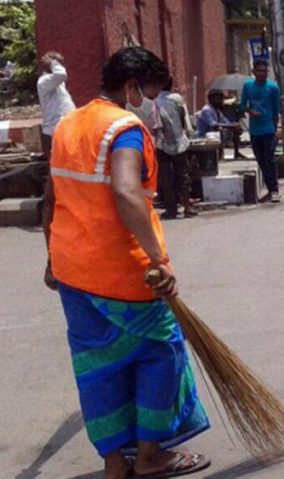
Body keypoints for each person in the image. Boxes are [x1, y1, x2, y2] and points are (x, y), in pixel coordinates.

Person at [42, 46, 211, 479]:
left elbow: (52, 196)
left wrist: (50, 256)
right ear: (132, 86)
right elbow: (125, 191)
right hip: (124, 274)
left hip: (73, 273)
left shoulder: (69, 124)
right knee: (162, 354)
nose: (150, 103)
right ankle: (152, 455)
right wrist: (159, 260)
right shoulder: (125, 128)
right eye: (149, 93)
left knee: (97, 365)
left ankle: (115, 462)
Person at [155, 78, 198, 219]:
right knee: (183, 175)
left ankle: (171, 209)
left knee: (165, 176)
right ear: (171, 85)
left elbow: (155, 124)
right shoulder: (177, 99)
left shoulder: (154, 102)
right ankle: (187, 207)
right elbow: (185, 119)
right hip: (180, 142)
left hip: (161, 144)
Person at [240, 59, 282, 202]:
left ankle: (275, 190)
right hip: (255, 130)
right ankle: (270, 189)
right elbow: (242, 105)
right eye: (259, 71)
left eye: (264, 71)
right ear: (254, 72)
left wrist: (277, 129)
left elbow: (276, 110)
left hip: (269, 129)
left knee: (270, 159)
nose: (262, 73)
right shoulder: (248, 86)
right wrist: (250, 111)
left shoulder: (273, 87)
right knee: (261, 161)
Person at [37, 51, 75, 157]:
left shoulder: (56, 82)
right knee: (59, 163)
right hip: (55, 129)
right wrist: (52, 63)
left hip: (64, 127)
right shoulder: (44, 81)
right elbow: (61, 74)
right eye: (58, 63)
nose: (61, 66)